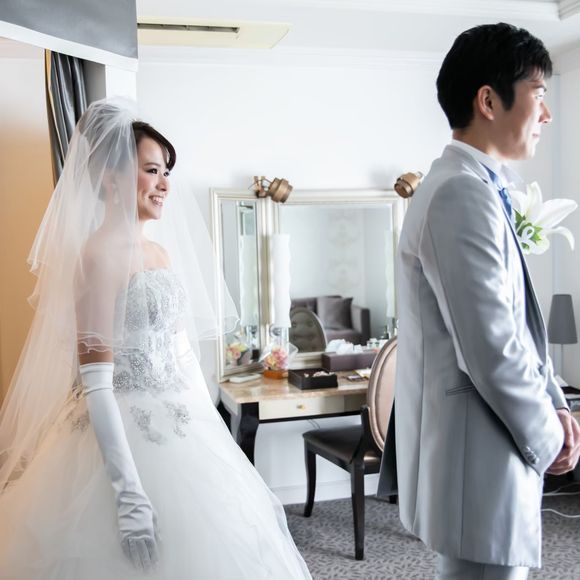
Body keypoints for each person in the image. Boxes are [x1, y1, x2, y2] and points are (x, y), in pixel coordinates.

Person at [0, 99, 312, 580]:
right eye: (152, 170)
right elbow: (96, 382)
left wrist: (217, 440)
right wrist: (128, 493)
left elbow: (180, 353)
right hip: (121, 432)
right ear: (111, 179)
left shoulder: (158, 253)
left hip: (184, 426)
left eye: (166, 171)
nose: (165, 183)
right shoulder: (97, 256)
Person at [377, 23, 580, 580]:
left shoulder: (476, 185)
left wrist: (557, 404)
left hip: (485, 450)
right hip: (480, 457)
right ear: (488, 101)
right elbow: (490, 348)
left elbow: (517, 327)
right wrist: (549, 437)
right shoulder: (460, 193)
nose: (547, 114)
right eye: (538, 94)